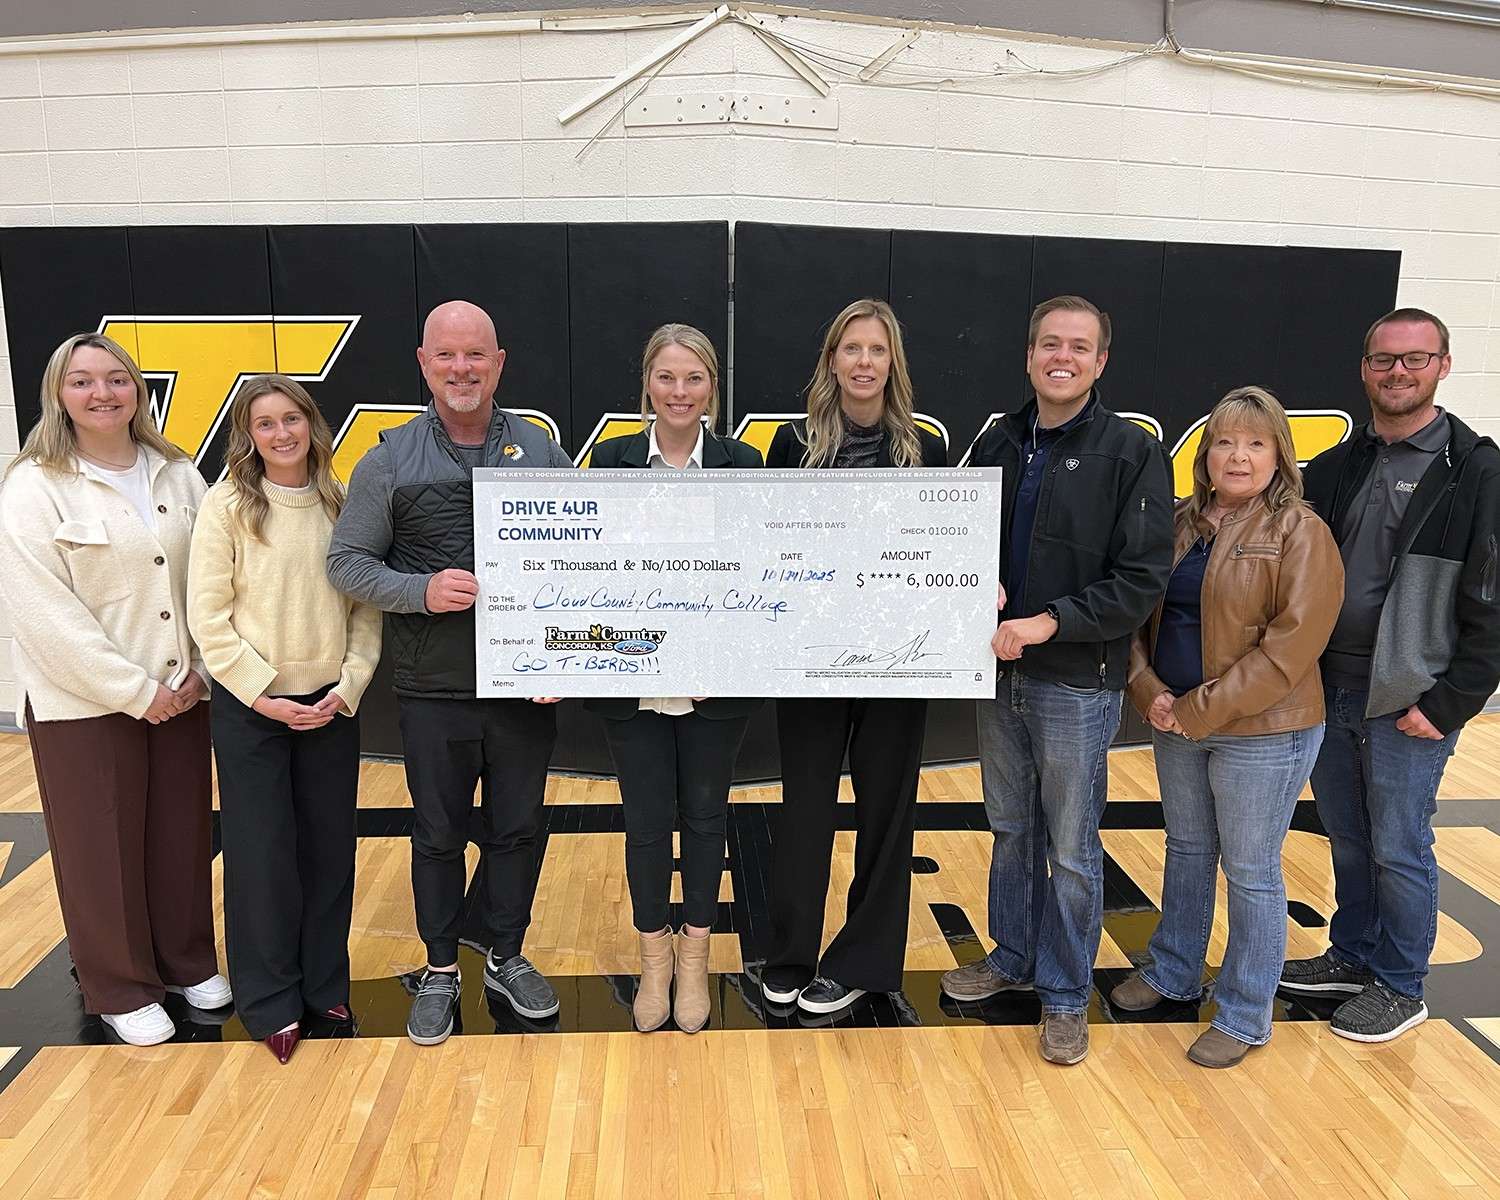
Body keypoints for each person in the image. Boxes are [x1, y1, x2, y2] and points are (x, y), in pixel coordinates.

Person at [327, 300, 574, 1047]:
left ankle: (506, 954)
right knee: (436, 835)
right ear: (424, 364)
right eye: (447, 357)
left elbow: (580, 566)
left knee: (518, 828)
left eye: (476, 356)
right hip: (433, 689)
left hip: (523, 688)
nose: (462, 369)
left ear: (499, 363)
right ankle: (439, 968)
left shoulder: (544, 455)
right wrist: (420, 591)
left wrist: (563, 654)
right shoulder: (389, 459)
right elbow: (345, 563)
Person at [940, 295, 1174, 1066]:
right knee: (1012, 831)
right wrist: (972, 587)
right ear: (1030, 354)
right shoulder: (997, 440)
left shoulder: (1132, 451)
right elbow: (951, 539)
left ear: (1101, 361)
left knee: (1071, 846)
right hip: (999, 677)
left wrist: (1050, 621)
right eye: (1049, 343)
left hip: (1077, 681)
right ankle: (1013, 958)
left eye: (1078, 346)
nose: (1061, 356)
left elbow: (1141, 580)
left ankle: (1068, 994)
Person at [0, 332, 230, 1046]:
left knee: (181, 838)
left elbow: (213, 576)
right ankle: (119, 983)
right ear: (58, 395)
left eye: (116, 379)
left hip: (184, 693)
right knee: (99, 846)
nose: (102, 392)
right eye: (82, 381)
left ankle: (186, 958)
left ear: (139, 389)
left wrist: (201, 670)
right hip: (88, 706)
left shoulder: (177, 472)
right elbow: (43, 613)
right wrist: (135, 691)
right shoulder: (35, 485)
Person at [1280, 308, 1500, 1042]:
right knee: (1346, 833)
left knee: (1399, 842)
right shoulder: (1341, 465)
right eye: (1384, 360)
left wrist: (1450, 702)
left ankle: (1402, 985)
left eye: (1415, 359)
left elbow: (1495, 603)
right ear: (1365, 368)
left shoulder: (1478, 471)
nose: (1397, 373)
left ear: (1442, 365)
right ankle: (1352, 954)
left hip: (1410, 698)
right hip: (1330, 689)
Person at [1109, 387, 1342, 1067]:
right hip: (1175, 718)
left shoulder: (1301, 531)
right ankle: (1173, 971)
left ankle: (1244, 1013)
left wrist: (1196, 709)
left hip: (1264, 731)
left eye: (1255, 442)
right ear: (1204, 453)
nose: (1237, 455)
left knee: (1250, 869)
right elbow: (1137, 615)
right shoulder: (1179, 523)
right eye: (1224, 441)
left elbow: (1291, 648)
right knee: (1186, 851)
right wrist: (1149, 689)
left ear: (1279, 456)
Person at [759, 298, 947, 1018]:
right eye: (851, 349)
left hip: (900, 661)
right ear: (831, 360)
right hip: (810, 659)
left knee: (887, 813)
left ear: (891, 361)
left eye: (876, 349)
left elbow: (939, 551)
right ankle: (791, 953)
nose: (863, 362)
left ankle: (862, 960)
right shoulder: (790, 445)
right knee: (805, 807)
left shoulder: (922, 448)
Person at [188, 375, 381, 1064]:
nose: (280, 434)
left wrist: (348, 686)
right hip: (253, 710)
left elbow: (365, 610)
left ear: (311, 424)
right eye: (264, 423)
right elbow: (207, 618)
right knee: (262, 858)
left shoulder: (341, 501)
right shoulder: (229, 505)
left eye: (291, 419)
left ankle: (325, 982)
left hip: (330, 704)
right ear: (249, 434)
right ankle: (269, 999)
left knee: (328, 854)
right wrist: (258, 691)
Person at [586, 324, 763, 1033]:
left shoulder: (744, 466)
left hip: (715, 688)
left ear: (711, 388)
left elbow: (759, 576)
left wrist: (722, 659)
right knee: (647, 824)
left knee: (707, 817)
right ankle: (654, 958)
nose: (679, 391)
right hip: (634, 683)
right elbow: (589, 574)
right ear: (647, 386)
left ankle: (696, 959)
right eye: (667, 377)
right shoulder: (612, 462)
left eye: (693, 378)